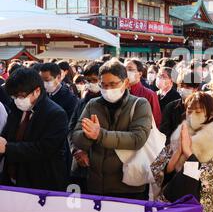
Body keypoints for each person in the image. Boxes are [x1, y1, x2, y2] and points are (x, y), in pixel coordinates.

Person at [72, 59, 152, 199]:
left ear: (126, 83)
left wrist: (100, 135)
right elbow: (77, 135)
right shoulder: (93, 104)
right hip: (96, 185)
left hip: (128, 185)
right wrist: (87, 137)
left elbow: (137, 139)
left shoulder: (140, 104)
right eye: (103, 85)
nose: (108, 89)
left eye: (113, 84)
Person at [151, 92, 213, 212]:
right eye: (189, 110)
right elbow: (159, 169)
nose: (192, 115)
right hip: (170, 202)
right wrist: (179, 151)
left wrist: (189, 154)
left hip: (198, 205)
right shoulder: (181, 132)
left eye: (198, 112)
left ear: (210, 114)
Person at [0, 68, 68, 190]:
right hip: (12, 179)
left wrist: (7, 148)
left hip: (39, 183)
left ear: (37, 91)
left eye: (21, 96)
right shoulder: (16, 108)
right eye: (14, 96)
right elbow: (7, 135)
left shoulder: (55, 114)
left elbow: (44, 149)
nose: (17, 100)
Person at [68, 61, 103, 192]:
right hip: (78, 165)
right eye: (87, 80)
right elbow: (71, 128)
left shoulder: (110, 102)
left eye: (94, 80)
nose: (90, 84)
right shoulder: (82, 101)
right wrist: (76, 150)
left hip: (100, 167)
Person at [160, 72, 201, 145]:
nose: (183, 89)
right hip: (174, 148)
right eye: (181, 86)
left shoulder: (203, 107)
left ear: (196, 89)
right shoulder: (171, 107)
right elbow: (164, 132)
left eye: (187, 87)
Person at [125, 59, 162, 129]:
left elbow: (156, 121)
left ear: (140, 74)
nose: (126, 72)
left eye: (130, 69)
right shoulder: (119, 92)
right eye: (124, 69)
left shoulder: (150, 94)